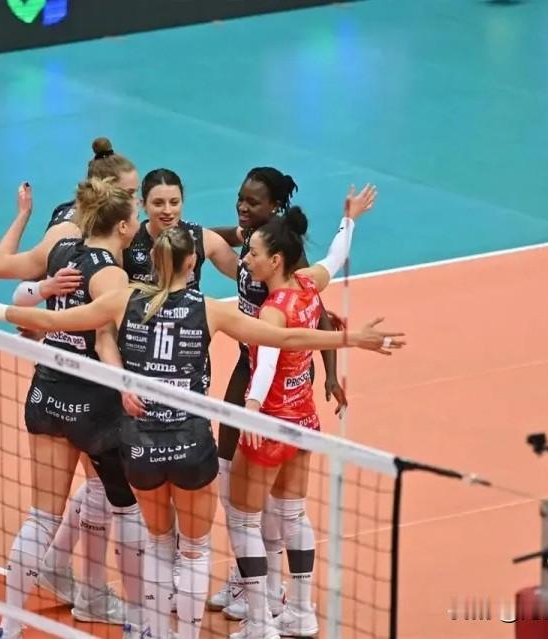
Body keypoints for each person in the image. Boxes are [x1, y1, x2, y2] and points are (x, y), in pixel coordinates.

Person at [0, 226, 404, 639]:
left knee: (158, 545)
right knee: (194, 551)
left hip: (141, 446)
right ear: (193, 263)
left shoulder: (123, 300)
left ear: (153, 260)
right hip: (191, 445)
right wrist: (350, 340)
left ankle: (153, 632)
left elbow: (58, 322)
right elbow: (286, 339)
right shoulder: (209, 310)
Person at [0, 176, 147, 639]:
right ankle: (138, 625)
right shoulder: (111, 274)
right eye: (135, 216)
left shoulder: (61, 251)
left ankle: (8, 626)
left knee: (41, 517)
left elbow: (27, 292)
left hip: (47, 393)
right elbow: (102, 334)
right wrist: (125, 382)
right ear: (123, 226)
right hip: (94, 405)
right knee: (126, 510)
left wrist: (27, 318)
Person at [226, 186, 379, 639]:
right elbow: (336, 256)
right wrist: (349, 219)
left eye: (254, 253)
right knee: (292, 516)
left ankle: (259, 623)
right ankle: (300, 611)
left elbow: (267, 363)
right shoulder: (309, 284)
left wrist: (251, 409)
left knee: (242, 519)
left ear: (275, 260)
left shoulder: (273, 312)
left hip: (270, 425)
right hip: (304, 422)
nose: (247, 259)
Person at [209, 167, 349, 613]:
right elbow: (335, 258)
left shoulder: (285, 262)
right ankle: (250, 579)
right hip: (249, 367)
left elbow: (314, 318)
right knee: (229, 471)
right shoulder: (251, 241)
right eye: (240, 198)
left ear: (275, 208)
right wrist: (189, 232)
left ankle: (266, 590)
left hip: (269, 382)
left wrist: (329, 374)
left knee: (260, 501)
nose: (242, 207)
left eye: (253, 202)